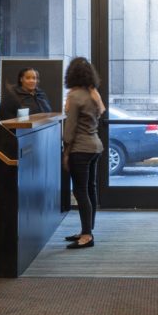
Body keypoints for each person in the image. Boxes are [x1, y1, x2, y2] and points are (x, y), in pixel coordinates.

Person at [62, 57, 104, 250]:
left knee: (80, 191)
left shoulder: (75, 95)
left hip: (80, 148)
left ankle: (87, 235)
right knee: (90, 189)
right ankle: (88, 229)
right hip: (95, 146)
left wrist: (65, 151)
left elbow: (69, 130)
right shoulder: (93, 94)